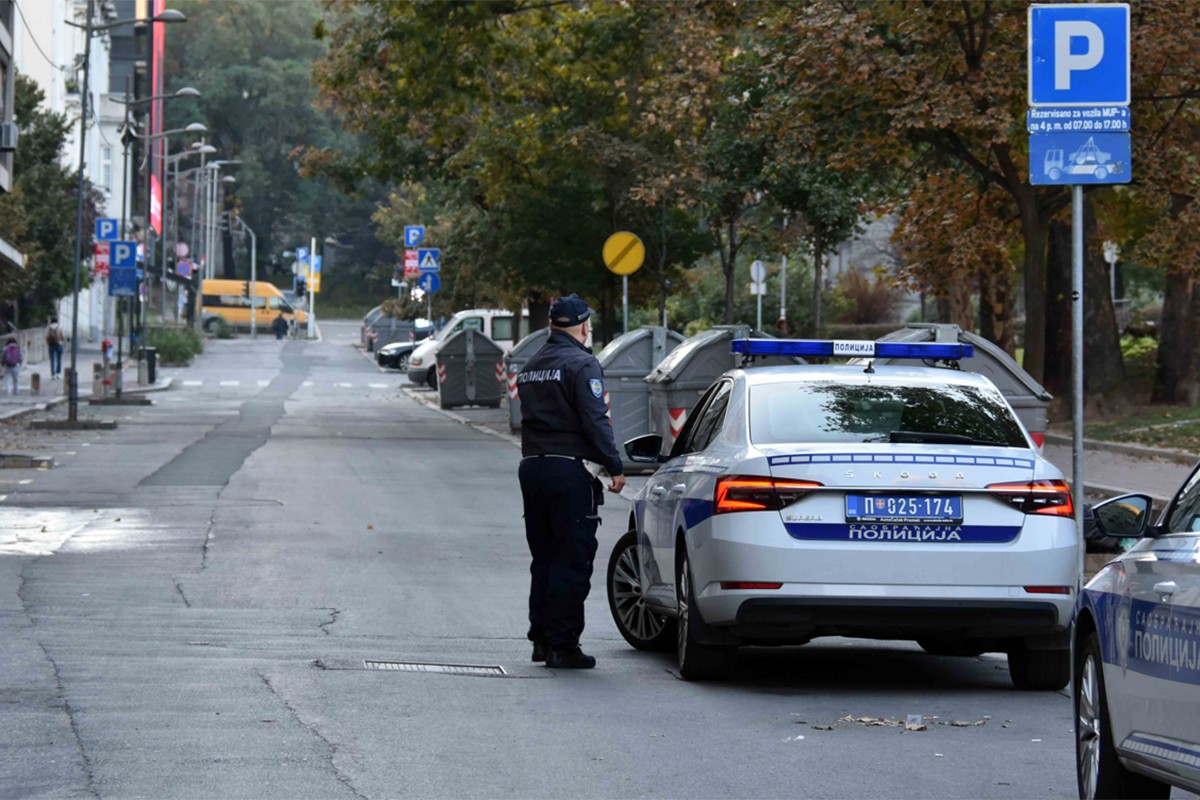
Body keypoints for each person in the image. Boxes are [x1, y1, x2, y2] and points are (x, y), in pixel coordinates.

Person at [517, 294, 625, 669]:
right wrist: (615, 466)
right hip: (570, 471)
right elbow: (597, 420)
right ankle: (563, 645)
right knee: (571, 557)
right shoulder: (583, 364)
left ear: (551, 325)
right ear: (582, 326)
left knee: (543, 556)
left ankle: (542, 639)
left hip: (532, 468)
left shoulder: (530, 366)